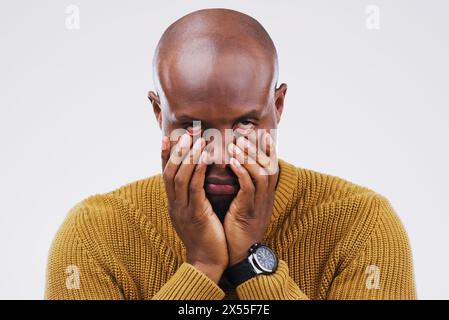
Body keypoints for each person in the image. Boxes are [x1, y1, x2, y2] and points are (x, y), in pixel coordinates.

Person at [45, 8, 416, 300]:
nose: (220, 155)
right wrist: (202, 267)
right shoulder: (93, 233)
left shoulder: (361, 223)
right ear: (159, 113)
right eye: (191, 125)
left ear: (279, 105)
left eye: (244, 125)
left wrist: (251, 263)